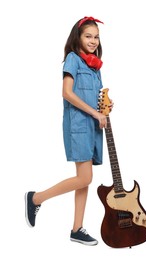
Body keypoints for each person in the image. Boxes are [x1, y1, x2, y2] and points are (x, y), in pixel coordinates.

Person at [25, 16, 113, 246]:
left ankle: (77, 229)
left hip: (92, 126)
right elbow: (67, 93)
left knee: (84, 181)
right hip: (78, 125)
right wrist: (95, 114)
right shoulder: (73, 59)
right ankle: (35, 198)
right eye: (88, 36)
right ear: (78, 37)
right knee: (85, 177)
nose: (93, 41)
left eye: (96, 37)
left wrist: (104, 107)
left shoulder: (95, 67)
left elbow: (95, 99)